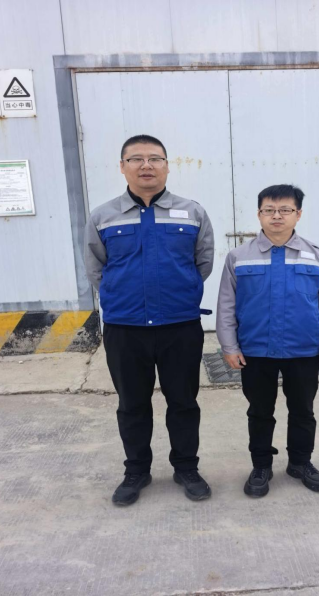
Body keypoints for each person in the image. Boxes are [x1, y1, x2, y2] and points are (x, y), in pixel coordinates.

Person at [84, 135, 215, 506]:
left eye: (155, 158)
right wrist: (125, 296)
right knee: (132, 404)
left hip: (179, 326)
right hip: (126, 329)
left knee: (184, 402)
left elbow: (203, 263)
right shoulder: (103, 216)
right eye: (136, 159)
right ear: (122, 166)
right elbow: (96, 268)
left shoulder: (192, 212)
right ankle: (136, 471)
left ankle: (186, 468)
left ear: (167, 166)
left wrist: (178, 291)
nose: (146, 166)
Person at [216, 184, 319, 498]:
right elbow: (226, 305)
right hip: (256, 350)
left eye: (285, 210)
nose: (277, 216)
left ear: (297, 214)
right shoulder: (238, 257)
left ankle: (300, 463)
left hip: (303, 349)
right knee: (259, 411)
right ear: (259, 214)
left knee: (303, 410)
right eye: (269, 210)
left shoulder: (317, 256)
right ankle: (261, 466)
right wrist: (229, 346)